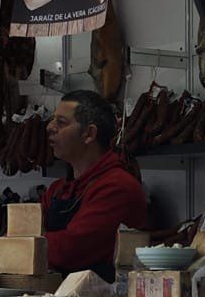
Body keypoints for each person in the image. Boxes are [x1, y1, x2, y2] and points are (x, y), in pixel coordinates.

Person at [40, 90, 149, 281]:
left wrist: (25, 244)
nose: (50, 127)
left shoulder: (117, 187)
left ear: (89, 134)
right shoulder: (57, 189)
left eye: (61, 122)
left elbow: (72, 249)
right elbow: (23, 234)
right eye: (52, 120)